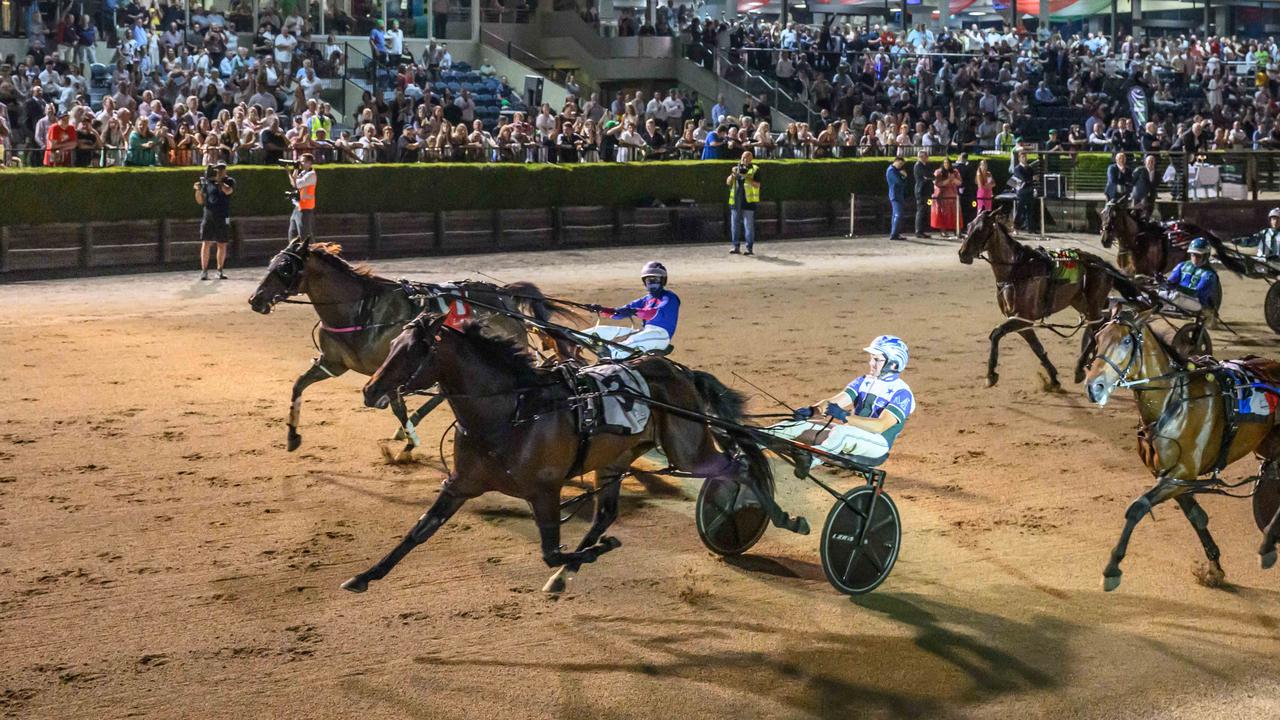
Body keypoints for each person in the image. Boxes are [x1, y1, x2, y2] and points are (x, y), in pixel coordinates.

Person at [765, 335, 914, 468]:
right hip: (852, 432)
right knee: (798, 425)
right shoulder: (864, 381)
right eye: (871, 358)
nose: (871, 363)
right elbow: (835, 401)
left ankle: (811, 461)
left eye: (877, 360)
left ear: (893, 364)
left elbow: (879, 426)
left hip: (877, 444)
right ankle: (753, 443)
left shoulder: (902, 393)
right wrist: (813, 410)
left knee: (843, 432)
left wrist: (844, 416)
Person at [586, 261, 680, 358]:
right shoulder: (645, 299)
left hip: (660, 336)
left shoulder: (670, 297)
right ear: (644, 282)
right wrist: (601, 309)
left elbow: (654, 313)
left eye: (655, 279)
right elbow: (619, 313)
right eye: (649, 280)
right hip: (644, 332)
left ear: (663, 281)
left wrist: (634, 311)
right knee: (593, 332)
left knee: (618, 349)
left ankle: (609, 358)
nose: (651, 282)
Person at [194, 163, 236, 280]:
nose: (220, 172)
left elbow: (228, 191)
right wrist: (198, 190)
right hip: (208, 215)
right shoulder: (207, 183)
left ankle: (220, 270)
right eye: (218, 170)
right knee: (206, 242)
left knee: (222, 243)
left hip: (223, 216)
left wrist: (220, 181)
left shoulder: (229, 181)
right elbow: (200, 201)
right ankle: (204, 271)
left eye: (222, 170)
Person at [1159, 238, 1218, 314]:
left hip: (1197, 303)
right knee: (1158, 292)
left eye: (1198, 256)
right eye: (1193, 255)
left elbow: (1195, 293)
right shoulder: (1182, 265)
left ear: (1206, 256)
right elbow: (1171, 282)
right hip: (1179, 297)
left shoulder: (1209, 275)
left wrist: (1175, 287)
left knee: (1177, 296)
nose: (1195, 258)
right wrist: (1162, 282)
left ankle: (1158, 308)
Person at [727, 151, 760, 255]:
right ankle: (735, 246)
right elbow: (728, 182)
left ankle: (749, 248)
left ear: (751, 159)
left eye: (747, 157)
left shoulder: (755, 169)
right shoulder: (736, 168)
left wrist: (746, 176)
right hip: (736, 201)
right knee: (734, 225)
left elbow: (757, 185)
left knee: (748, 225)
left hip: (748, 202)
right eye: (743, 157)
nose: (744, 159)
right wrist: (733, 175)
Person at [288, 153, 317, 242]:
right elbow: (293, 183)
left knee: (305, 235)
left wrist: (288, 172)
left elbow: (297, 184)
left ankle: (314, 253)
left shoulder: (311, 175)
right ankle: (294, 254)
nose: (300, 163)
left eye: (303, 161)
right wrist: (293, 170)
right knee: (292, 234)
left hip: (305, 208)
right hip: (298, 207)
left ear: (309, 163)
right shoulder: (303, 173)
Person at [931, 157, 962, 237]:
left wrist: (953, 179)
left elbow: (959, 182)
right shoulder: (939, 172)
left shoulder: (955, 172)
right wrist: (948, 180)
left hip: (953, 195)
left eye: (948, 163)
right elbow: (938, 184)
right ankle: (943, 230)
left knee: (955, 214)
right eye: (945, 163)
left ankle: (956, 230)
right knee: (944, 213)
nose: (946, 165)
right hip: (943, 196)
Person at [1012, 152, 1036, 232]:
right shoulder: (1017, 168)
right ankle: (1015, 227)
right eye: (1023, 157)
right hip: (1021, 192)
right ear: (1019, 158)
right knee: (1020, 210)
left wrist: (1031, 181)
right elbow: (1023, 179)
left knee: (1030, 211)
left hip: (1029, 191)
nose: (1025, 159)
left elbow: (1032, 179)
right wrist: (1031, 179)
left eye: (1025, 157)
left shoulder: (1029, 168)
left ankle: (1031, 228)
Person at [886, 155, 907, 241]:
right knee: (898, 214)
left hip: (898, 194)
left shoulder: (894, 170)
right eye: (900, 163)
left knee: (895, 214)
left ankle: (895, 233)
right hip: (895, 194)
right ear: (896, 161)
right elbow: (898, 182)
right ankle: (894, 234)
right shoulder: (891, 170)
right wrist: (903, 176)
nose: (901, 165)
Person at [1130, 154, 1158, 220]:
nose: (1150, 163)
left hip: (1150, 197)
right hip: (1138, 196)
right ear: (1145, 162)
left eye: (1152, 161)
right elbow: (1132, 181)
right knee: (1135, 214)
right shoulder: (1139, 170)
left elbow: (1156, 184)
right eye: (1149, 161)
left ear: (1154, 162)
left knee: (1147, 214)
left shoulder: (1157, 173)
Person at [913, 150, 932, 238]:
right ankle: (918, 231)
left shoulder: (925, 165)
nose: (927, 158)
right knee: (921, 210)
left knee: (924, 210)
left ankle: (922, 230)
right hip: (921, 191)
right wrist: (930, 178)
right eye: (925, 156)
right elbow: (926, 175)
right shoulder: (918, 166)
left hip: (925, 191)